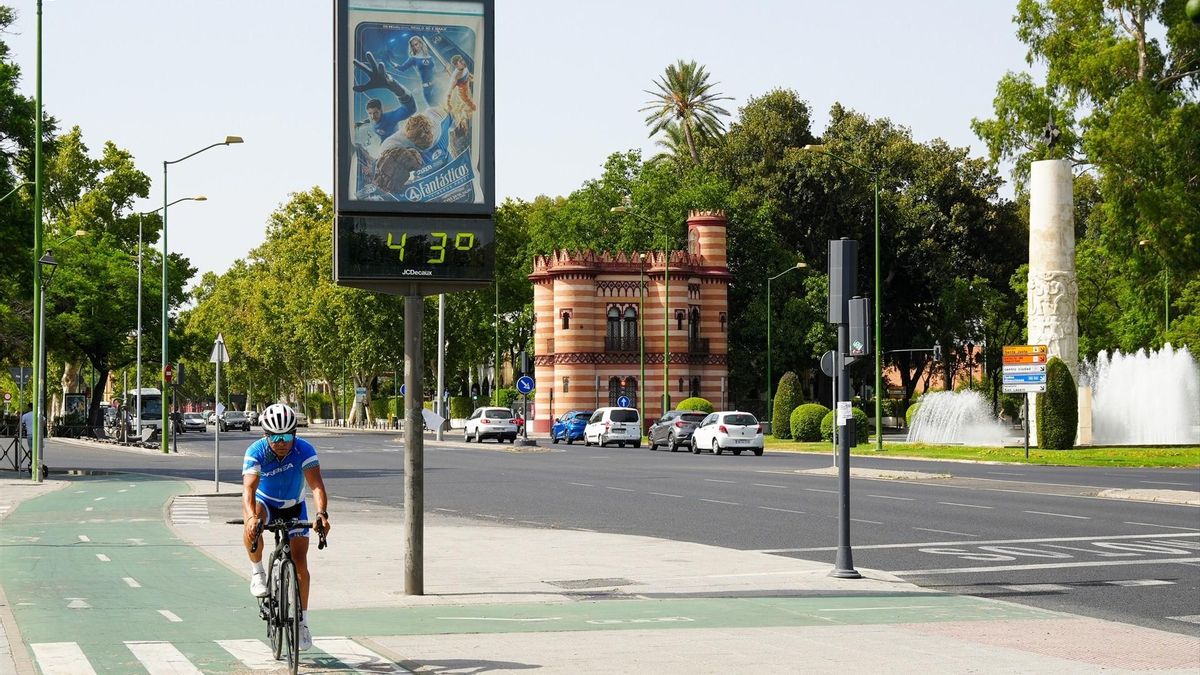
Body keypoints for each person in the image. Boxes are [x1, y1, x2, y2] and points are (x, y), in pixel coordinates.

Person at [241, 403, 330, 651]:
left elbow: (317, 487)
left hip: (294, 505)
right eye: (275, 437)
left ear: (295, 433)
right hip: (265, 504)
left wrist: (321, 514)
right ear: (266, 435)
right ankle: (257, 571)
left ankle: (302, 622)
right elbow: (248, 490)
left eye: (287, 436)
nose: (282, 442)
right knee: (253, 525)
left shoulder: (304, 450)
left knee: (300, 561)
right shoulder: (256, 452)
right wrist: (250, 519)